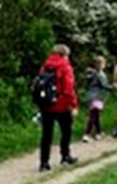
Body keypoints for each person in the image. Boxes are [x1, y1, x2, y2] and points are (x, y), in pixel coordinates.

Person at [38, 44, 78, 172]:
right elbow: (69, 88)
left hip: (46, 105)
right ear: (64, 55)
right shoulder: (65, 67)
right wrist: (73, 104)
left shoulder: (45, 66)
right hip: (62, 105)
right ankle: (65, 155)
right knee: (66, 131)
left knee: (46, 134)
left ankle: (44, 162)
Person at [82, 55, 113, 142]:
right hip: (97, 97)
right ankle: (87, 134)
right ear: (102, 64)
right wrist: (113, 88)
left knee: (96, 115)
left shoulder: (91, 74)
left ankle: (99, 132)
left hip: (90, 96)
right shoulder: (100, 75)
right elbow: (104, 85)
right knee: (93, 116)